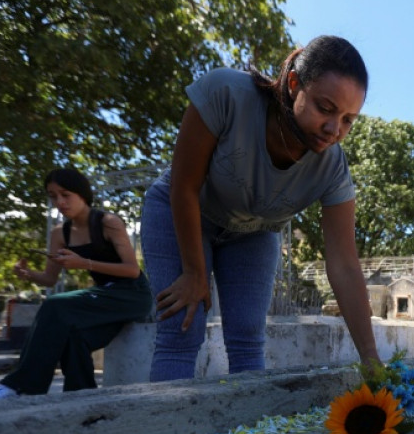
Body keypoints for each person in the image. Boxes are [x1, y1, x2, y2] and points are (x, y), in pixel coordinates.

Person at [141, 35, 380, 382]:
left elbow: (343, 264)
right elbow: (185, 186)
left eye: (348, 120)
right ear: (295, 83)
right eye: (325, 109)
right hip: (183, 210)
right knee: (182, 328)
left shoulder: (333, 169)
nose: (334, 130)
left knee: (247, 339)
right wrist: (194, 273)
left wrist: (370, 359)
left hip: (252, 234)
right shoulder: (225, 93)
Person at [0, 169, 153, 400]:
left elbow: (132, 270)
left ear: (82, 194)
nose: (59, 202)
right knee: (74, 337)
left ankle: (22, 387)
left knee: (56, 304)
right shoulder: (60, 233)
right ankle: (81, 398)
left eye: (65, 194)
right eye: (53, 196)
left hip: (132, 294)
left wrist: (83, 263)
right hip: (103, 296)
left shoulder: (108, 222)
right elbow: (50, 279)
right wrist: (28, 274)